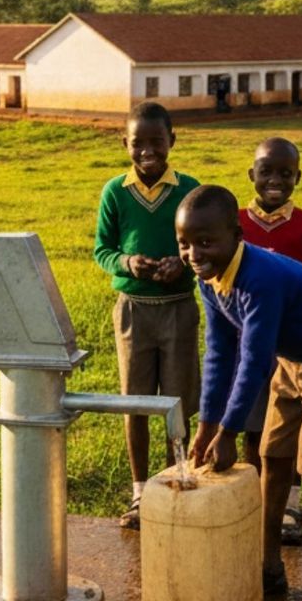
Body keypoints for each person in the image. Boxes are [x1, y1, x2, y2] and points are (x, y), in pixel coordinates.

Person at [180, 185, 302, 601]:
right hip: (293, 356)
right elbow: (219, 352)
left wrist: (229, 433)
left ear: (237, 236)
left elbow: (254, 361)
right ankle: (269, 566)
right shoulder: (209, 279)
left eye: (205, 242)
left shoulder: (258, 280)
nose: (194, 254)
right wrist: (207, 426)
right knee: (273, 456)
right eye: (184, 244)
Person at [93, 101, 201, 530]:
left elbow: (203, 244)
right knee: (134, 403)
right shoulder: (115, 191)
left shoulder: (189, 189)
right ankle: (140, 491)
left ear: (172, 141)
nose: (148, 151)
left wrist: (182, 262)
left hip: (178, 308)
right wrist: (126, 263)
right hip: (134, 312)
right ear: (125, 143)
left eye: (157, 141)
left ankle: (178, 479)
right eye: (138, 143)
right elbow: (103, 249)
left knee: (177, 402)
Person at [237, 136, 302, 545]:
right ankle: (253, 501)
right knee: (251, 424)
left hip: (292, 348)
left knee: (289, 424)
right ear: (252, 175)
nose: (275, 180)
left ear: (298, 177)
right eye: (266, 172)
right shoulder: (236, 223)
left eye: (285, 173)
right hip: (247, 343)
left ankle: (290, 505)